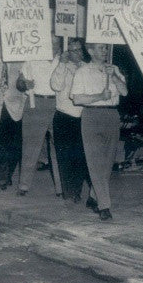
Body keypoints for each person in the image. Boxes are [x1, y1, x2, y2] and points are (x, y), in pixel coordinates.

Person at [71, 43, 128, 221]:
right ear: (90, 51)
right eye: (101, 48)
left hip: (111, 116)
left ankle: (93, 197)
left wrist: (115, 78)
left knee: (107, 163)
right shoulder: (82, 71)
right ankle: (104, 205)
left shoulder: (114, 69)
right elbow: (77, 99)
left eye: (106, 48)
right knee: (95, 162)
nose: (105, 51)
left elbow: (124, 92)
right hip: (91, 115)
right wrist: (99, 96)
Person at [16, 36, 63, 196]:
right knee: (30, 146)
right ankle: (23, 186)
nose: (54, 46)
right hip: (35, 103)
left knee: (58, 147)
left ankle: (61, 188)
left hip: (58, 105)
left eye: (57, 43)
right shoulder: (32, 58)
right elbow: (19, 82)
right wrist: (24, 85)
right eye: (51, 42)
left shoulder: (63, 61)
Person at [50, 39, 87, 206]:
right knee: (64, 156)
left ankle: (77, 190)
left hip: (83, 117)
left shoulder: (87, 67)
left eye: (78, 49)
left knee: (80, 157)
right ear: (67, 52)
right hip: (64, 116)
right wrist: (62, 65)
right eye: (72, 50)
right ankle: (68, 191)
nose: (76, 53)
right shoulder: (62, 65)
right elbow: (55, 85)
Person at [0, 61, 27, 190]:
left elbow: (24, 86)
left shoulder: (20, 62)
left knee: (13, 146)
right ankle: (0, 178)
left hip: (14, 109)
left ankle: (8, 175)